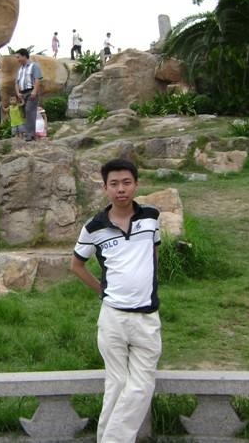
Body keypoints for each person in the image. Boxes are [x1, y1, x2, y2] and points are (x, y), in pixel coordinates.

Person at [70, 159, 162, 443]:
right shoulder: (94, 227)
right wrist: (101, 290)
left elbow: (154, 251)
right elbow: (76, 265)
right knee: (117, 383)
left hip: (147, 316)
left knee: (142, 385)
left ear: (136, 185)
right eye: (114, 184)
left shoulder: (151, 217)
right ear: (105, 188)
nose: (121, 189)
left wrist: (148, 281)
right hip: (113, 317)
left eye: (126, 183)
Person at [14, 48, 43, 142]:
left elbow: (37, 79)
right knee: (25, 113)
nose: (17, 59)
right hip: (22, 94)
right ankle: (31, 133)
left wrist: (35, 91)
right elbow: (16, 82)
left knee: (29, 110)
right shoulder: (20, 69)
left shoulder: (34, 66)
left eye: (18, 57)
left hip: (31, 91)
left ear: (24, 56)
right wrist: (18, 93)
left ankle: (29, 135)